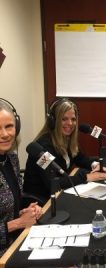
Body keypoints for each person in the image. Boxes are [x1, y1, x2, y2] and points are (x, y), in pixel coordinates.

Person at [23, 98, 106, 203]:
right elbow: (53, 183)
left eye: (73, 119)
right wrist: (87, 177)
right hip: (40, 202)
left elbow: (80, 157)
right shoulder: (42, 148)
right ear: (53, 121)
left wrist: (94, 164)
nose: (70, 123)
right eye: (64, 119)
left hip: (59, 194)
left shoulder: (66, 138)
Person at [0, 98, 42, 256]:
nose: (5, 134)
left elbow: (10, 204)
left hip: (17, 242)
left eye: (9, 126)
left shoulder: (11, 159)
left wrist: (27, 211)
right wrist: (18, 223)